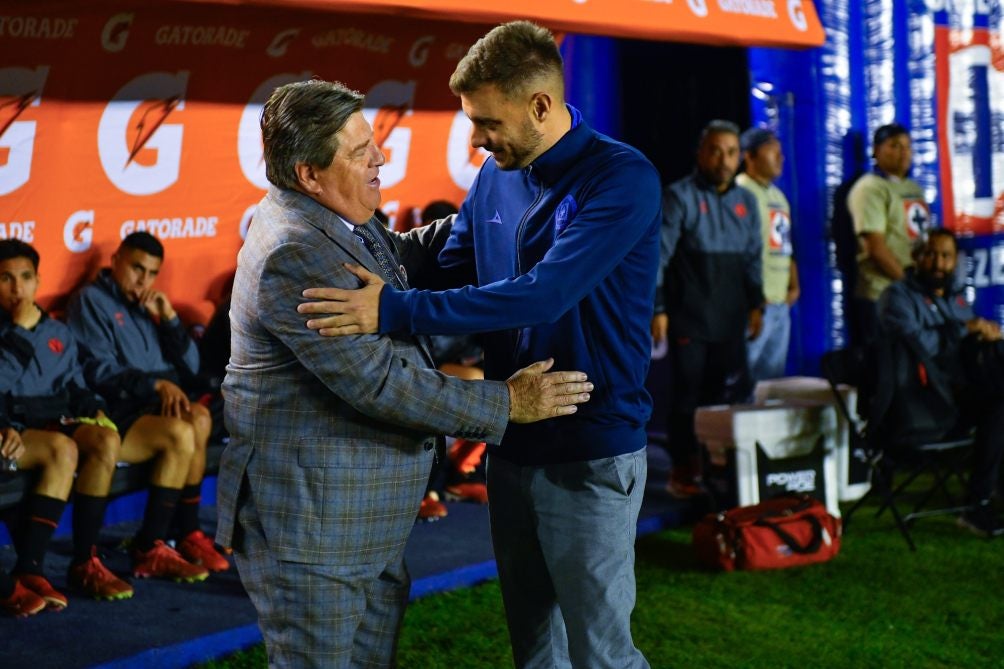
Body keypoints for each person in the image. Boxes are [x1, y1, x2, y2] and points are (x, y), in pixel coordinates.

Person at [298, 22, 661, 668]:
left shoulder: (622, 178)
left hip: (590, 453)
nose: (477, 141)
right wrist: (340, 248)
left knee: (602, 656)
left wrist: (392, 310)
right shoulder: (499, 173)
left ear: (540, 106)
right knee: (534, 651)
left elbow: (542, 293)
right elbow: (442, 254)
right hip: (512, 442)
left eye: (487, 122)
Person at [214, 78, 591, 668]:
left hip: (354, 526)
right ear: (310, 173)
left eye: (374, 142)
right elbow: (379, 382)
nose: (380, 157)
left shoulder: (330, 214)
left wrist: (497, 213)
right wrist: (507, 405)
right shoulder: (294, 253)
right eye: (361, 151)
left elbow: (403, 256)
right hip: (313, 534)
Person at [67, 232, 228, 578]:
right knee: (180, 433)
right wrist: (155, 384)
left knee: (199, 418)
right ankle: (149, 545)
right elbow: (98, 370)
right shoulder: (90, 300)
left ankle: (185, 533)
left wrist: (169, 318)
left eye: (152, 273)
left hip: (150, 403)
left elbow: (192, 366)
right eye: (136, 268)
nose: (143, 280)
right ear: (116, 262)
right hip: (116, 408)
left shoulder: (148, 305)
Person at [0, 239, 133, 605]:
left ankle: (85, 561)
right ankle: (30, 568)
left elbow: (75, 383)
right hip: (16, 424)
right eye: (6, 279)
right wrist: (19, 334)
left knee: (105, 440)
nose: (17, 288)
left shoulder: (56, 331)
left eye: (25, 277)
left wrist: (94, 404)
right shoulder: (8, 331)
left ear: (38, 281)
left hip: (55, 417)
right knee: (64, 448)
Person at [652, 120, 764, 498]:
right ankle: (682, 469)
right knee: (686, 396)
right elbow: (658, 259)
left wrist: (756, 305)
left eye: (731, 152)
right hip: (689, 318)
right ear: (700, 153)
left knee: (723, 398)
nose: (724, 159)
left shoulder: (747, 201)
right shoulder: (678, 196)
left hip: (731, 318)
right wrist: (659, 308)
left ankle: (716, 467)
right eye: (716, 150)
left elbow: (752, 259)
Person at [877, 229, 1004, 537]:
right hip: (922, 400)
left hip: (960, 392)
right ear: (916, 256)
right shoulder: (897, 296)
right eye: (931, 254)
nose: (938, 263)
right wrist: (964, 329)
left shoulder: (956, 296)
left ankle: (989, 496)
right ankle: (977, 506)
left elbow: (965, 342)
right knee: (999, 406)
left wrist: (984, 332)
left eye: (946, 256)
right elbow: (914, 346)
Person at [848, 122, 930, 346]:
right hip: (882, 293)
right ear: (876, 151)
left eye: (907, 146)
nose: (903, 152)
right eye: (894, 145)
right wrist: (909, 284)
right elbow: (875, 247)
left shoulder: (914, 188)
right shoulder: (870, 188)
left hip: (911, 291)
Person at [736, 127, 799, 383]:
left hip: (779, 303)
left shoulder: (779, 196)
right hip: (753, 306)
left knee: (770, 384)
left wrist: (794, 285)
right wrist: (751, 300)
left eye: (781, 153)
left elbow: (785, 245)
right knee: (743, 382)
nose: (780, 158)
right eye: (773, 152)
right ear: (749, 157)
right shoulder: (739, 191)